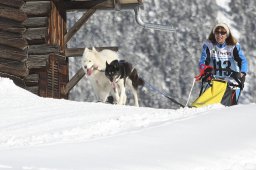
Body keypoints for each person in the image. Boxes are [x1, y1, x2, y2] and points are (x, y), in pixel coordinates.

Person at [198, 22, 248, 104]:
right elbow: (203, 62)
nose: (219, 35)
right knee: (208, 105)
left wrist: (242, 73)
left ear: (227, 35)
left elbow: (242, 61)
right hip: (214, 81)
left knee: (229, 107)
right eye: (217, 32)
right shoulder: (209, 45)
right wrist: (204, 70)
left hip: (232, 81)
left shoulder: (233, 46)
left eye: (223, 32)